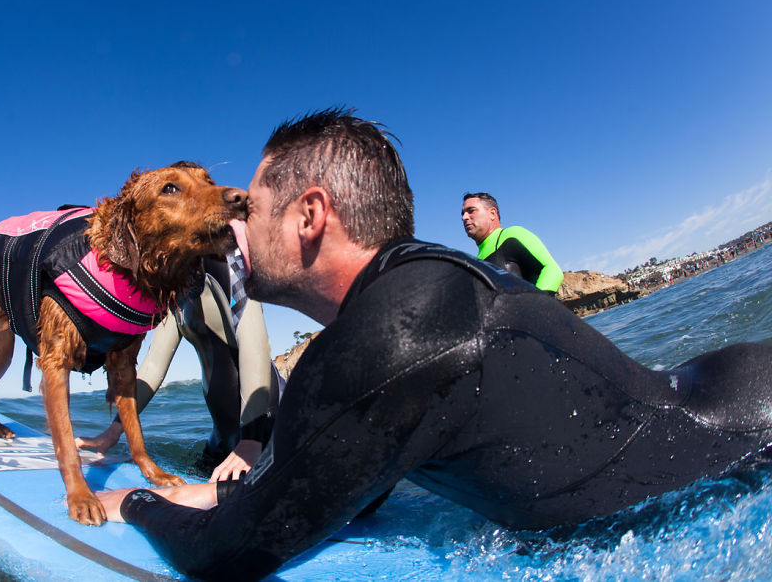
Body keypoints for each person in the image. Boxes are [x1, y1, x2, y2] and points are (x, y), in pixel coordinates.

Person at [97, 109, 772, 581]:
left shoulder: (384, 342)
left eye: (253, 206)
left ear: (309, 215)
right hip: (725, 396)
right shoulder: (424, 280)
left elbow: (225, 557)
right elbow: (350, 471)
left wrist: (132, 502)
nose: (238, 220)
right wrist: (231, 488)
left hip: (744, 452)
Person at [77, 252, 284, 482]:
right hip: (224, 435)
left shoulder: (223, 259)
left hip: (265, 423)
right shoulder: (175, 289)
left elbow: (254, 343)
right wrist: (114, 429)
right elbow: (154, 365)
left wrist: (251, 441)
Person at [461, 191, 564, 293]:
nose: (464, 217)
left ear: (492, 213)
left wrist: (534, 306)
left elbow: (552, 270)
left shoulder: (511, 236)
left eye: (471, 211)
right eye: (463, 213)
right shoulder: (477, 261)